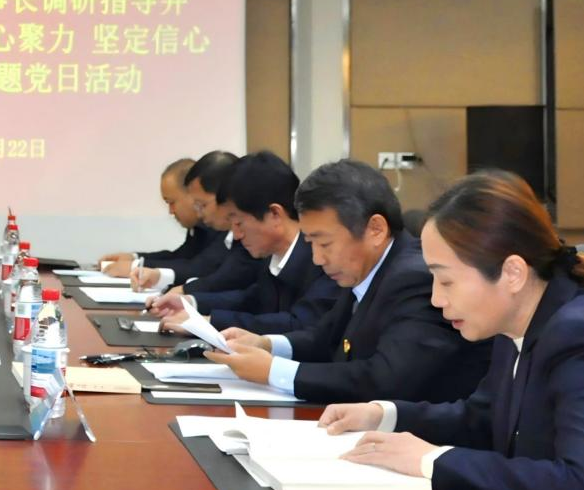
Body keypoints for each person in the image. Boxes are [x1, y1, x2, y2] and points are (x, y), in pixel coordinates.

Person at [321, 171, 584, 490]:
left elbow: (576, 488)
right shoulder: (516, 321)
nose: (436, 299)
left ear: (512, 273)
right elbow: (483, 419)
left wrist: (432, 459)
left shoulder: (574, 335)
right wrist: (385, 415)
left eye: (446, 281)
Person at [205, 159, 490, 404]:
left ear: (375, 229)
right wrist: (265, 344)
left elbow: (384, 378)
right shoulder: (367, 269)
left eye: (325, 244)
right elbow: (324, 338)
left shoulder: (413, 279)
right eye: (311, 243)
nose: (317, 258)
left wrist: (273, 371)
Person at [146, 151, 339, 334]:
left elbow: (298, 323)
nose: (236, 235)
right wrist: (190, 302)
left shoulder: (322, 260)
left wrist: (209, 322)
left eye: (238, 223)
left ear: (274, 214)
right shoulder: (272, 256)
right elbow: (251, 299)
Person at [125, 151, 245, 290]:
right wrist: (137, 260)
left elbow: (203, 268)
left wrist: (185, 292)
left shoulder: (225, 229)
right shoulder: (211, 226)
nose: (199, 211)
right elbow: (184, 257)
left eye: (202, 204)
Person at [98, 158, 220, 276]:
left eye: (171, 202)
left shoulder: (220, 224)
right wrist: (134, 258)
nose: (171, 211)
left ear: (193, 193)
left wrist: (136, 266)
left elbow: (199, 267)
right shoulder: (198, 226)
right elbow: (181, 256)